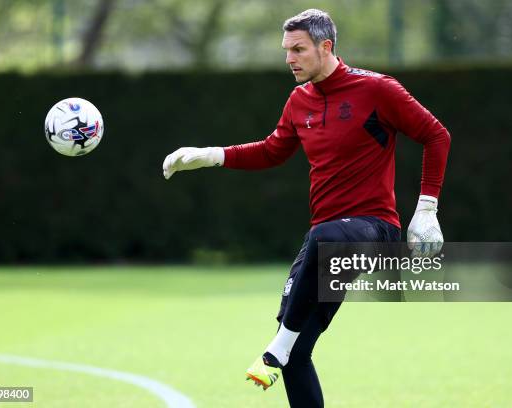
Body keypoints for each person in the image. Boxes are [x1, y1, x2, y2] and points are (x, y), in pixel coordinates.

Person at [163, 8, 450, 407]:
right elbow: (271, 151)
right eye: (286, 50)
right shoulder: (299, 101)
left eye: (298, 49)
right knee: (299, 354)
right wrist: (210, 155)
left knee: (324, 240)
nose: (289, 59)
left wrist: (427, 207)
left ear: (326, 46)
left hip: (374, 230)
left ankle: (273, 351)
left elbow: (437, 135)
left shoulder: (378, 89)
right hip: (325, 244)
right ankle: (284, 349)